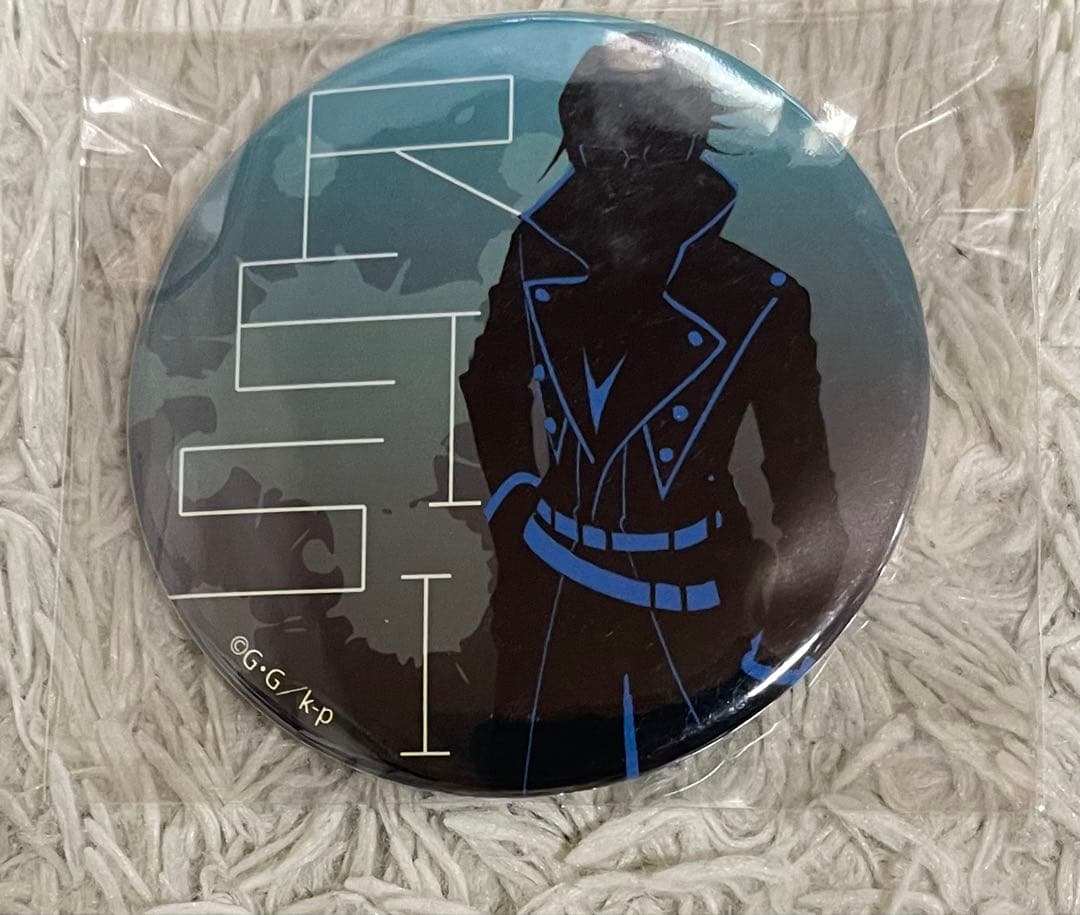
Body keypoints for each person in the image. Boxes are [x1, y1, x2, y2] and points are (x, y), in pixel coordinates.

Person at [460, 33, 849, 791]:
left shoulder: (762, 299)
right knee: (529, 795)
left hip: (695, 609)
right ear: (578, 146)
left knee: (703, 802)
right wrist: (513, 504)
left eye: (649, 149)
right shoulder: (537, 256)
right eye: (599, 150)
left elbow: (803, 478)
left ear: (689, 148)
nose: (621, 172)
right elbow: (493, 378)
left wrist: (786, 628)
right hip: (549, 597)